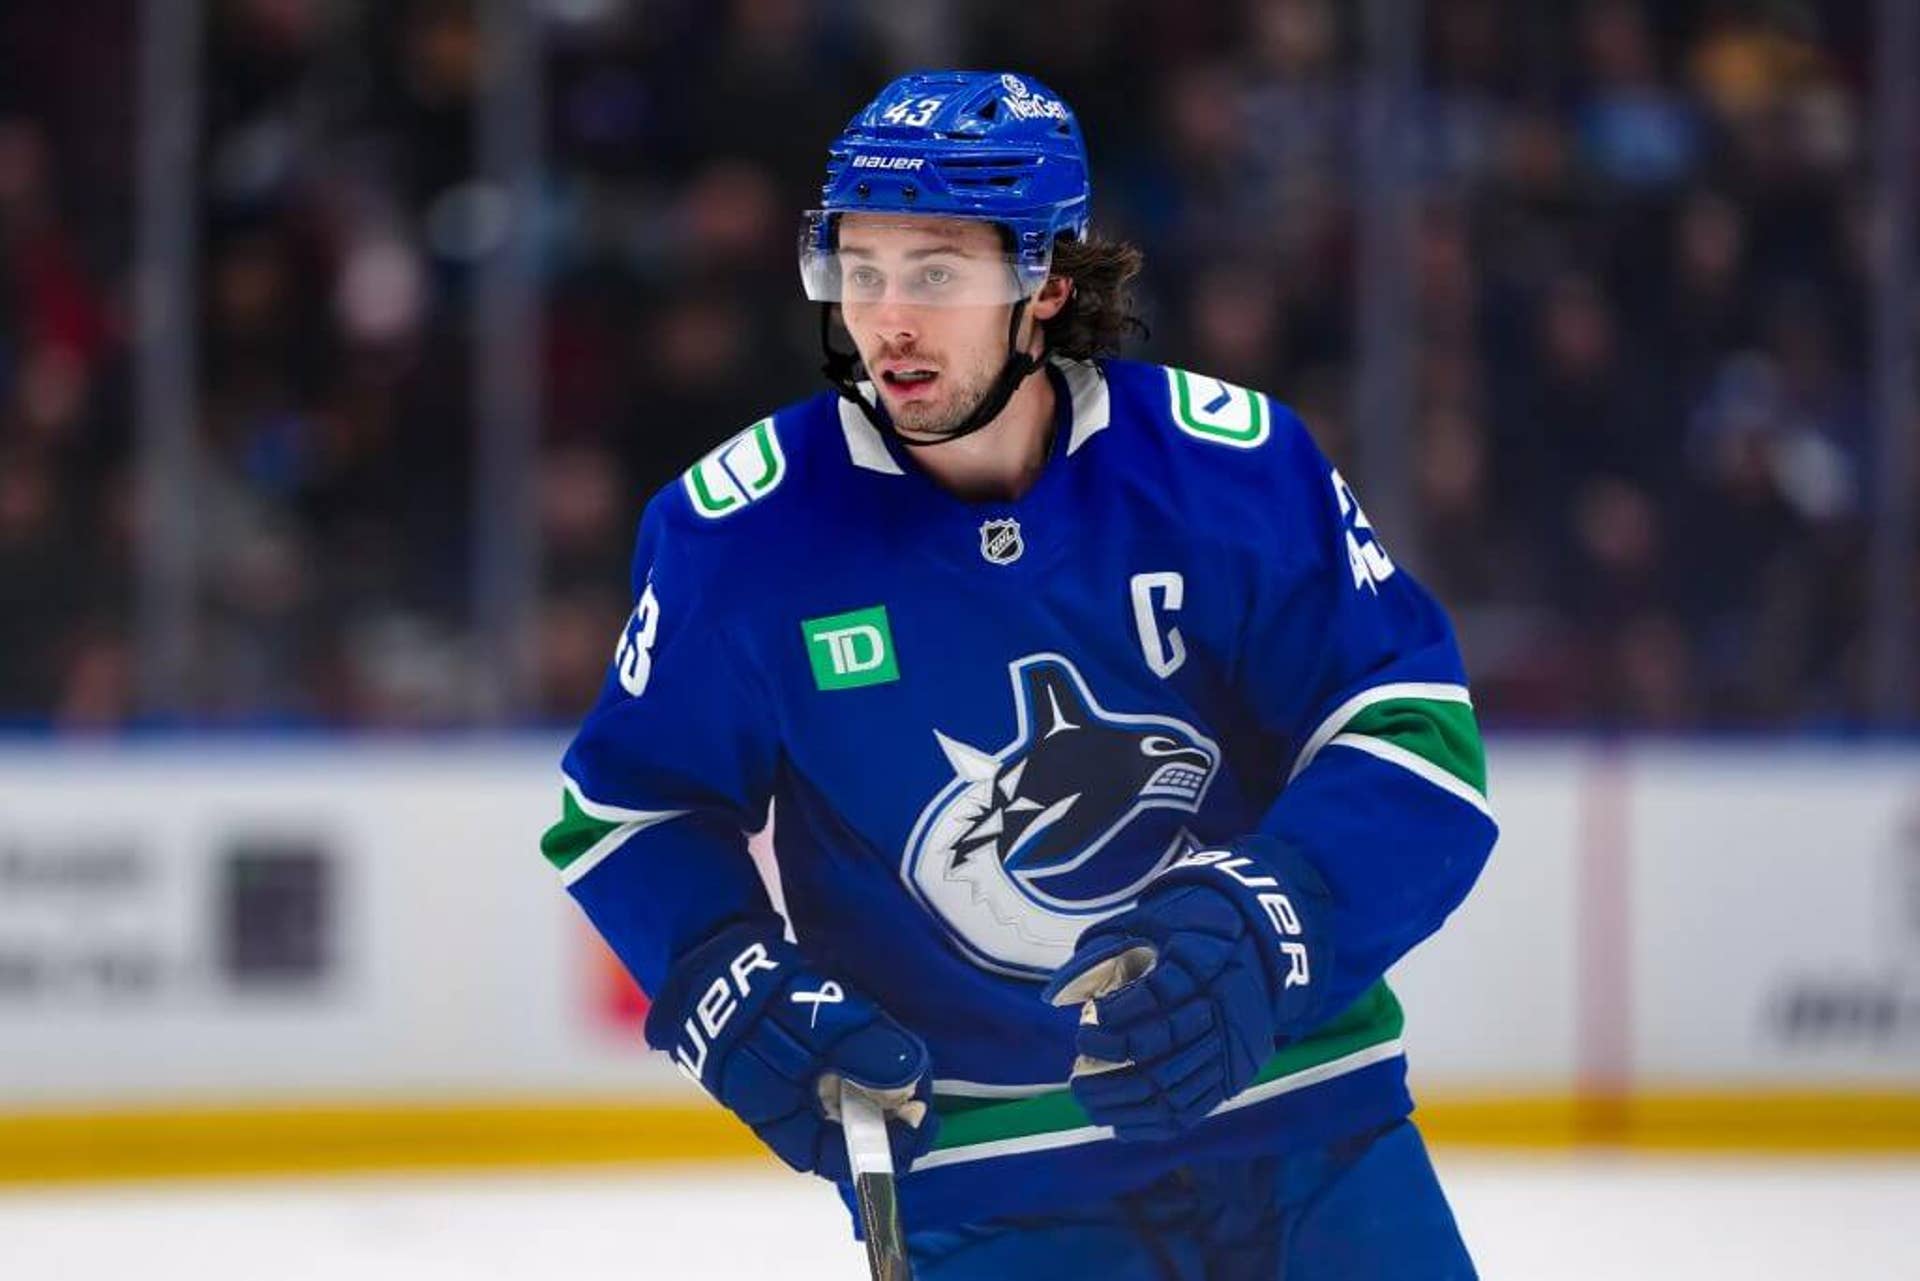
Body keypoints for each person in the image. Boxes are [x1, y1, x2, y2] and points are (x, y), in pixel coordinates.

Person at [541, 70, 1495, 1279]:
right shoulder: (740, 536)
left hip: (1307, 1126)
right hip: (990, 1182)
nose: (888, 319)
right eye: (863, 269)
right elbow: (633, 809)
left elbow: (1414, 740)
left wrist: (1277, 919)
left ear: (1047, 283)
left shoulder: (1232, 471)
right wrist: (728, 978)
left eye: (936, 274)